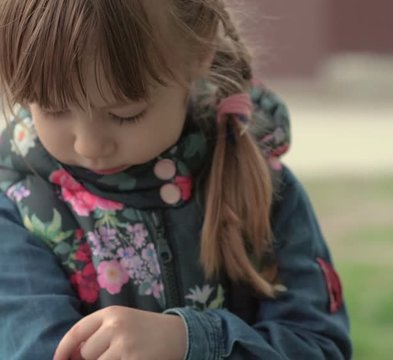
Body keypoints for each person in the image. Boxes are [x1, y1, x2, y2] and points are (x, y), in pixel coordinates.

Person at [0, 1, 351, 359]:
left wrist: (190, 342)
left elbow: (319, 346)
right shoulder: (16, 212)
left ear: (199, 55)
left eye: (125, 114)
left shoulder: (261, 184)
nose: (89, 145)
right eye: (53, 109)